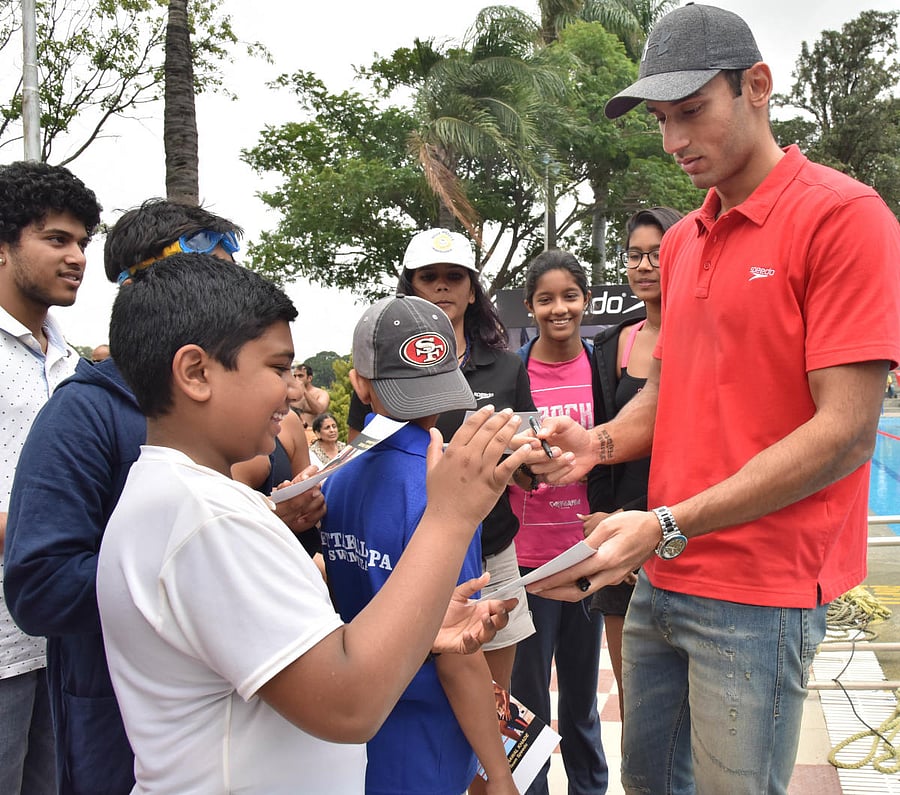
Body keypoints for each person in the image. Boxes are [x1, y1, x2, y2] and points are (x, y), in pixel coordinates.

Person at [521, 5, 900, 793]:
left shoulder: (843, 218)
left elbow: (846, 432)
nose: (673, 142)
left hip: (761, 590)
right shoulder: (687, 241)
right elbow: (670, 386)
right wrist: (600, 444)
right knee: (648, 782)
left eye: (692, 111)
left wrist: (667, 521)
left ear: (757, 86)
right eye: (662, 120)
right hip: (667, 573)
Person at [96, 254, 527, 793]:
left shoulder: (193, 499)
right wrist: (452, 515)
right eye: (277, 368)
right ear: (196, 373)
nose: (292, 392)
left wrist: (422, 622)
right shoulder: (210, 521)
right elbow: (349, 706)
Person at [3, 198, 321, 794]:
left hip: (250, 702)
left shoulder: (243, 407)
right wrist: (177, 570)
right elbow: (39, 586)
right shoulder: (84, 414)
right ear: (153, 283)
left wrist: (280, 512)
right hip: (122, 721)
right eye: (219, 273)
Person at [321, 295, 517, 795]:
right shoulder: (443, 488)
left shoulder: (332, 478)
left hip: (358, 728)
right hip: (430, 733)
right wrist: (498, 773)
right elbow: (458, 649)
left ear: (359, 382)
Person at [347, 228, 536, 715]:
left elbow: (531, 468)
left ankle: (493, 780)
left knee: (493, 703)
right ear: (409, 285)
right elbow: (357, 451)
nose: (443, 287)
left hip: (491, 548)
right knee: (416, 695)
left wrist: (526, 458)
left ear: (473, 290)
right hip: (404, 553)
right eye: (429, 277)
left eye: (455, 277)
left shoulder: (507, 366)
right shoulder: (378, 365)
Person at [0, 160, 101, 795]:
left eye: (83, 243)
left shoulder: (75, 365)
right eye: (56, 239)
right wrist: (46, 532)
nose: (77, 258)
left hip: (67, 642)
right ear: (4, 246)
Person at [507, 249, 607, 795]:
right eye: (546, 299)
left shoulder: (600, 366)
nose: (559, 308)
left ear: (585, 301)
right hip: (528, 558)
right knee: (528, 697)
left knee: (581, 696)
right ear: (530, 306)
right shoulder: (513, 370)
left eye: (569, 296)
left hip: (588, 552)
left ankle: (589, 787)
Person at [583, 206, 682, 723]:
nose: (645, 266)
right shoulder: (611, 342)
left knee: (689, 711)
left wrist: (648, 523)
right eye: (635, 255)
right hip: (621, 539)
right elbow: (601, 440)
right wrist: (605, 521)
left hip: (684, 528)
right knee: (638, 706)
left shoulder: (702, 336)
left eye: (657, 254)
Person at [291, 362, 331, 440]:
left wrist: (304, 391)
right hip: (294, 434)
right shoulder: (290, 394)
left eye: (300, 376)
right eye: (295, 376)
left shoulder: (321, 393)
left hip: (314, 435)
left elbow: (320, 410)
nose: (297, 379)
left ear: (309, 378)